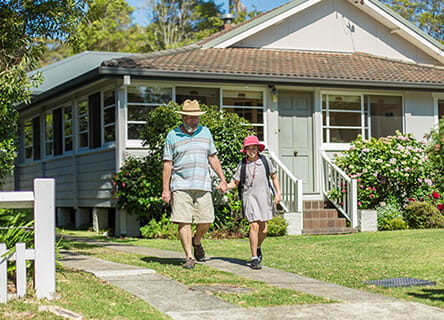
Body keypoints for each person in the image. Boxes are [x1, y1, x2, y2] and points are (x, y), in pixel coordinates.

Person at [162, 99, 227, 269]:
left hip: (203, 184)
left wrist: (222, 178)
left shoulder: (206, 133)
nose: (194, 120)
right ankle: (189, 256)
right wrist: (165, 189)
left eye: (196, 117)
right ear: (183, 117)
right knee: (183, 221)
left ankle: (196, 242)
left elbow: (212, 157)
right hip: (180, 184)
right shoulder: (172, 135)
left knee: (206, 220)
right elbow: (167, 163)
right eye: (190, 117)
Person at [227, 135, 281, 270]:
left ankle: (257, 247)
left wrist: (278, 193)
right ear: (245, 150)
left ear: (258, 149)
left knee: (264, 229)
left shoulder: (265, 161)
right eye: (249, 148)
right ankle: (254, 258)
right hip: (249, 198)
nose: (252, 151)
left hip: (264, 197)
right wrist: (225, 186)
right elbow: (235, 182)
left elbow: (274, 177)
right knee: (254, 226)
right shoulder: (242, 164)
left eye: (254, 148)